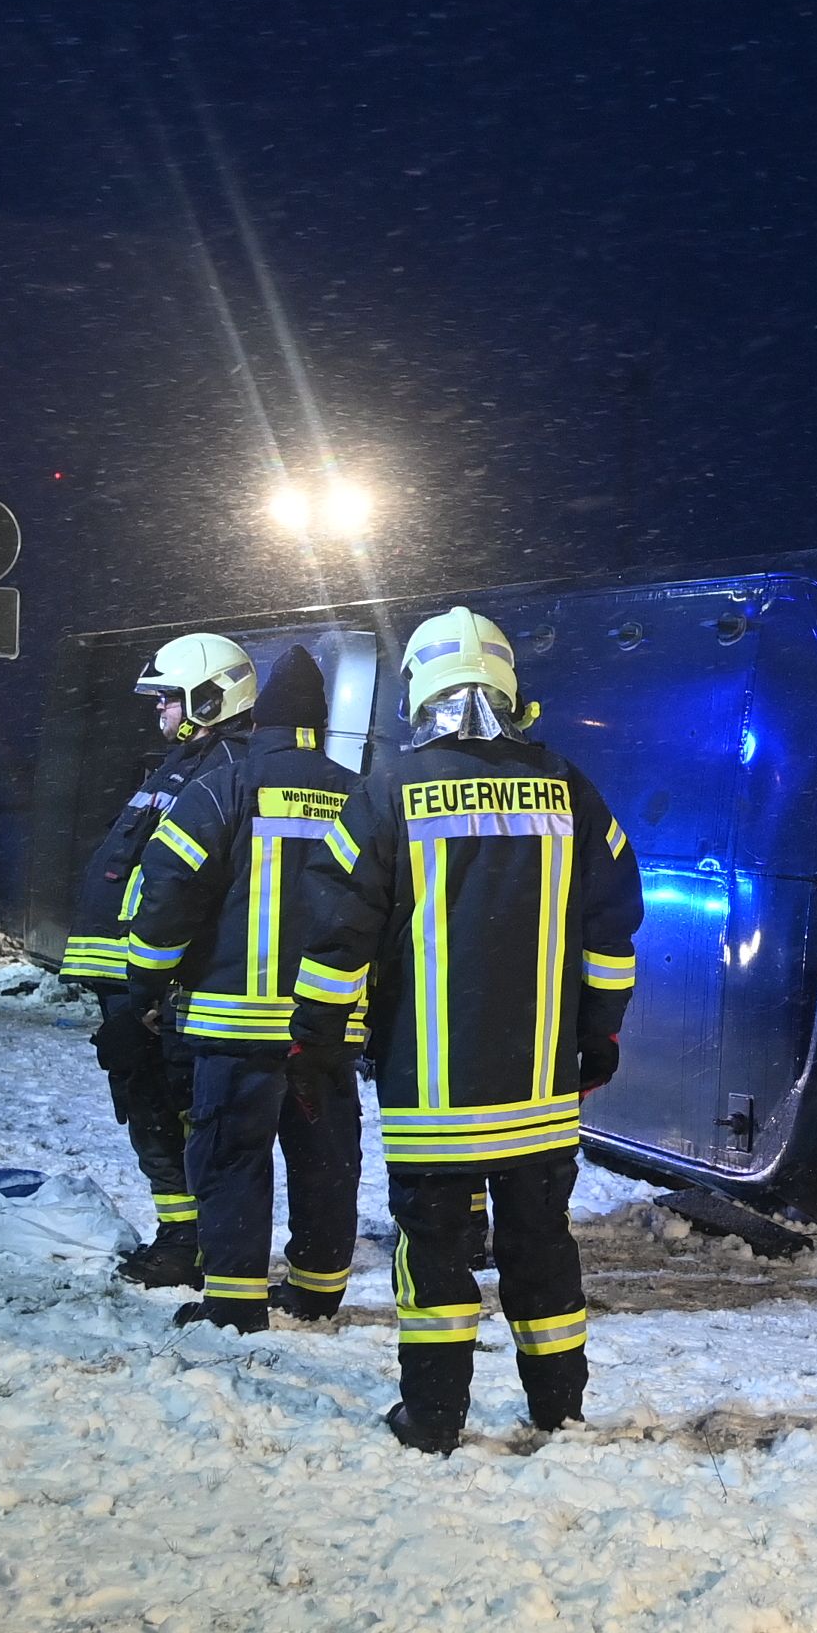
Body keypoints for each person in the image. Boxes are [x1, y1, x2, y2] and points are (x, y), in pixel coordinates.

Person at [320, 606, 641, 1453]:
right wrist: (598, 1033)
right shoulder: (569, 786)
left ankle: (432, 1417)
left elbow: (337, 936)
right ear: (510, 687)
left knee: (435, 1254)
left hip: (432, 1096)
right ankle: (558, 1409)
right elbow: (612, 929)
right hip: (540, 1093)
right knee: (541, 1246)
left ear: (418, 691)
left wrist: (322, 1035)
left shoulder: (386, 792)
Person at [120, 646, 371, 1331]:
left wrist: (145, 979)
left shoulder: (222, 790)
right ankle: (319, 1291)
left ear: (260, 723)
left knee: (232, 1157)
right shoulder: (360, 794)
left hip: (233, 1030)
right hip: (327, 1029)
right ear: (318, 723)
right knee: (325, 1159)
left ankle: (234, 1301)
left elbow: (169, 894)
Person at [65, 630, 256, 1287]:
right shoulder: (187, 762)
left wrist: (155, 987)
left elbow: (193, 888)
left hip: (162, 984)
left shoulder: (226, 769)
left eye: (169, 700)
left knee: (167, 1109)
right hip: (132, 978)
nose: (160, 712)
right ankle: (180, 1234)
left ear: (209, 697)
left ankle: (187, 1243)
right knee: (145, 1104)